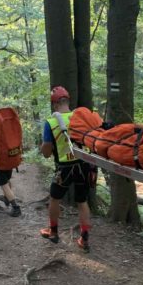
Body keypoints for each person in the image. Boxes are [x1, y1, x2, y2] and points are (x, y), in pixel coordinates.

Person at [40, 86, 92, 252]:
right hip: (84, 165)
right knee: (82, 201)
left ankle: (53, 231)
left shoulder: (51, 122)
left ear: (54, 105)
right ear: (68, 101)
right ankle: (84, 239)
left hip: (64, 168)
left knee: (55, 199)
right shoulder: (81, 118)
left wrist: (45, 147)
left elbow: (47, 153)